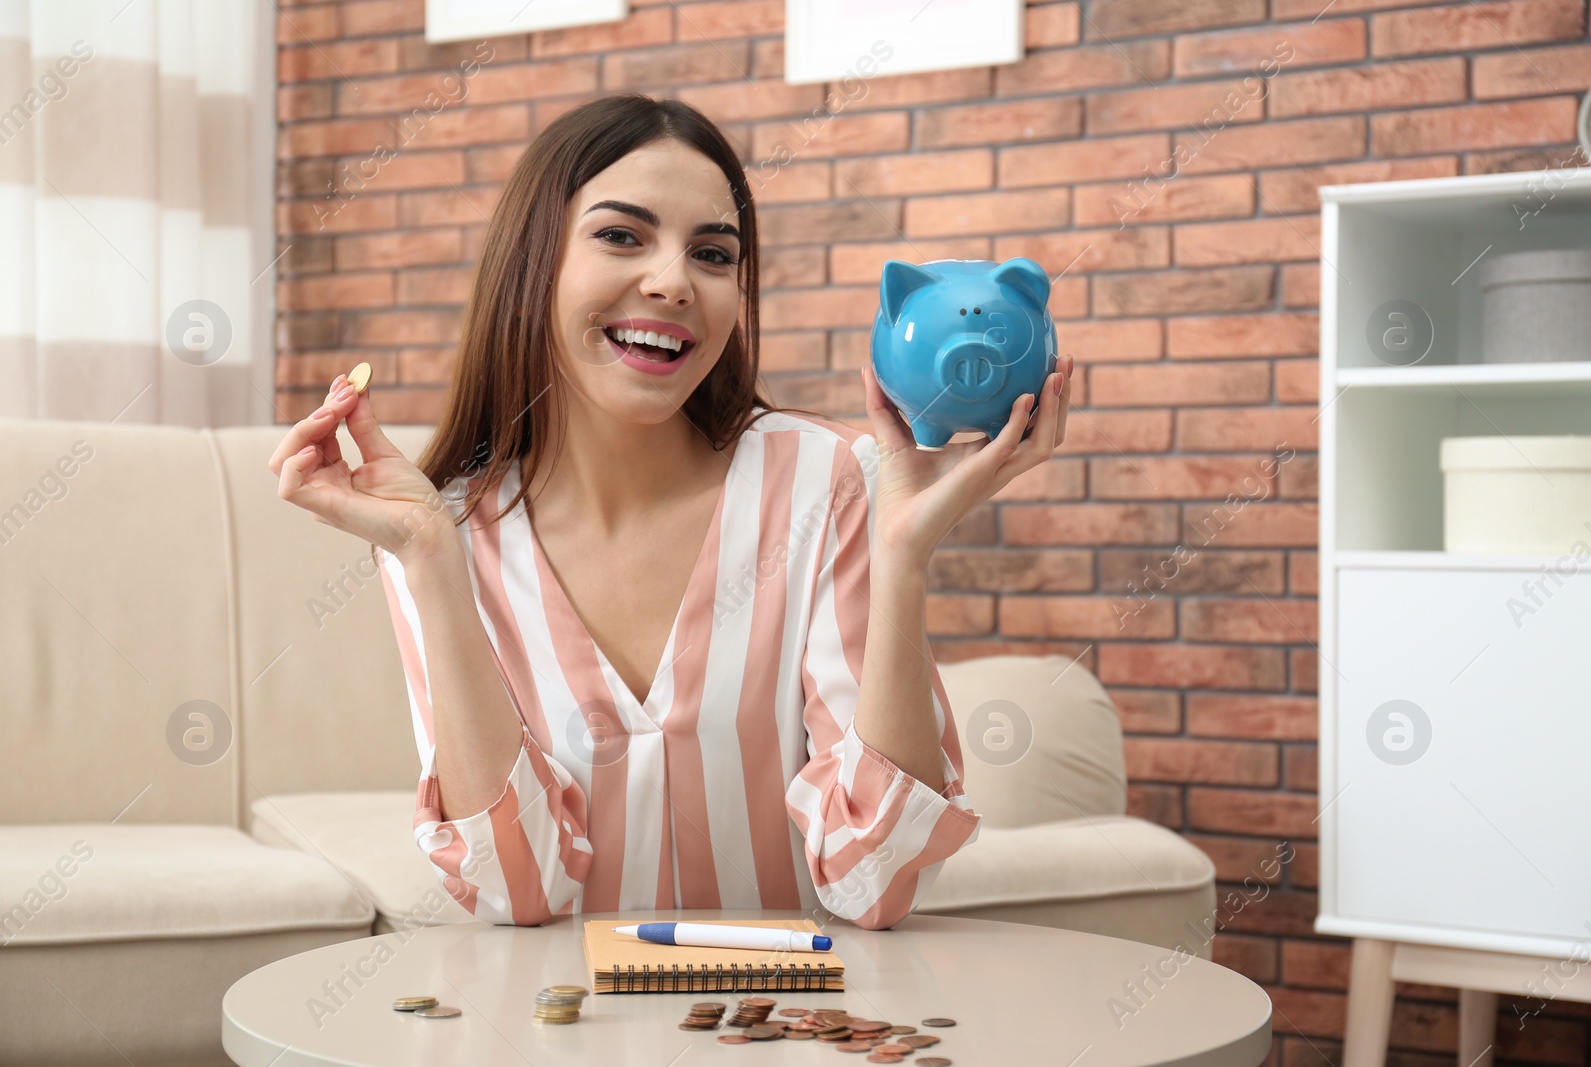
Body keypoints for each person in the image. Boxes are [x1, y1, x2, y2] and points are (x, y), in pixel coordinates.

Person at [269, 93, 1073, 931]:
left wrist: (902, 554)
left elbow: (874, 881)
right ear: (532, 262)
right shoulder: (439, 532)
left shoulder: (825, 479)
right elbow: (520, 889)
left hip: (783, 1036)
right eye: (622, 235)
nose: (672, 281)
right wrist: (431, 557)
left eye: (714, 254)